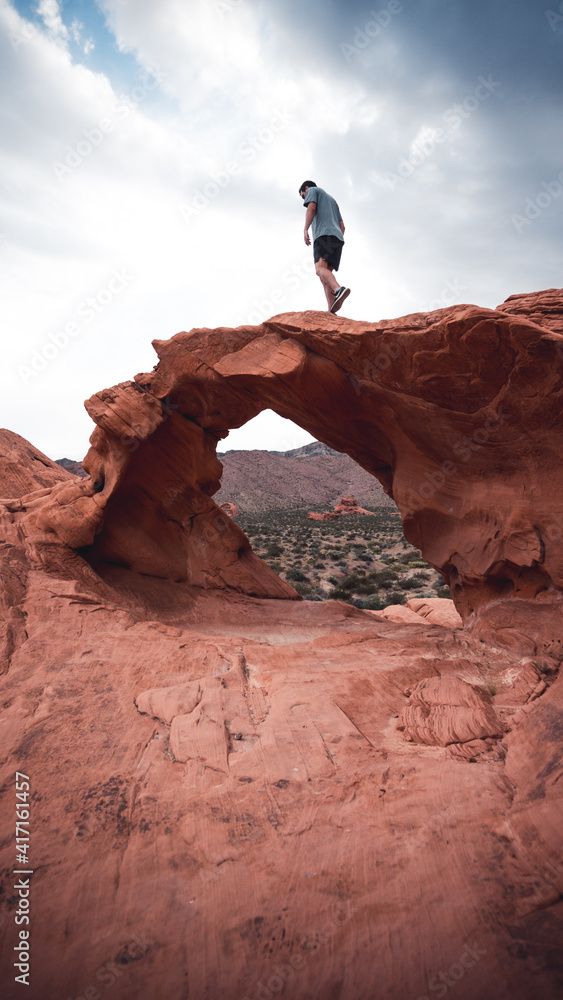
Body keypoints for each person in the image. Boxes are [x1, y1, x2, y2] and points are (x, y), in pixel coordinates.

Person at [299, 180, 351, 314]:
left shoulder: (312, 190)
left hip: (323, 235)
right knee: (325, 275)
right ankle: (331, 310)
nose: (304, 199)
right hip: (337, 238)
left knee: (319, 269)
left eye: (303, 196)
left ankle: (338, 289)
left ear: (306, 188)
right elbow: (342, 226)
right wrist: (336, 238)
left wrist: (305, 229)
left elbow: (311, 208)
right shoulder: (332, 201)